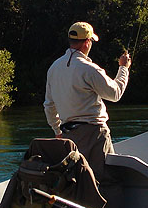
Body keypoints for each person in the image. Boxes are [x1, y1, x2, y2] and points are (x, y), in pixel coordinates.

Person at [44, 22, 131, 181]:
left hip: (68, 136)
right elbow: (115, 93)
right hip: (94, 134)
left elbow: (49, 106)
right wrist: (123, 68)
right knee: (103, 179)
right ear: (87, 42)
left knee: (77, 179)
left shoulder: (54, 68)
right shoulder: (90, 69)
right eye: (91, 41)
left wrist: (57, 131)